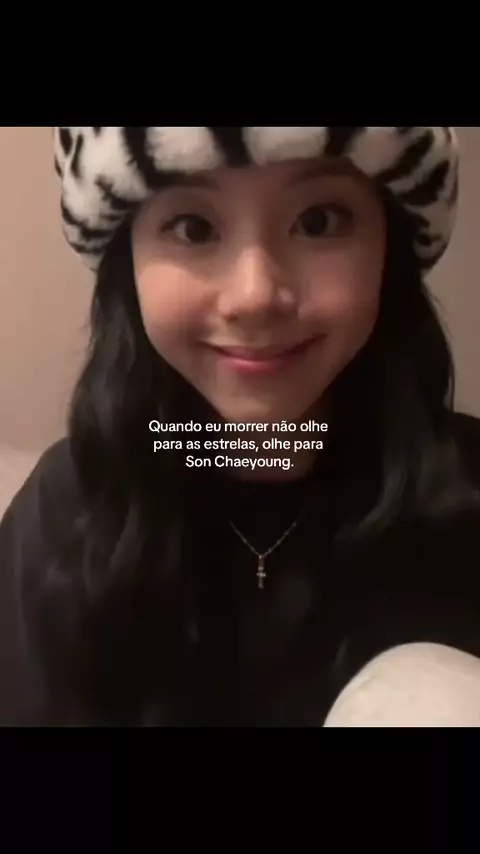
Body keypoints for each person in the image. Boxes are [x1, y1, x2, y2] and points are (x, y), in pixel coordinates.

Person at [1, 126, 480, 728]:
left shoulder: (466, 498)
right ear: (130, 261)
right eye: (193, 227)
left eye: (319, 221)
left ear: (389, 249)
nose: (255, 296)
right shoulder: (64, 517)